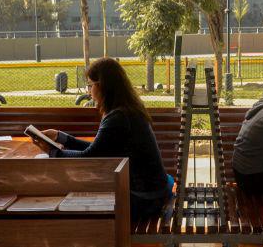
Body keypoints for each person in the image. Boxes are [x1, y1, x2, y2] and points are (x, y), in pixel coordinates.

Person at [34, 57, 172, 219]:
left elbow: (90, 157)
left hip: (145, 201)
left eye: (90, 85)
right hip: (153, 193)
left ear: (102, 86)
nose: (88, 91)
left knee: (77, 205)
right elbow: (97, 149)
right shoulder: (127, 110)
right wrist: (60, 137)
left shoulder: (118, 117)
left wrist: (53, 152)